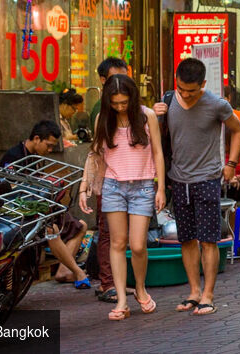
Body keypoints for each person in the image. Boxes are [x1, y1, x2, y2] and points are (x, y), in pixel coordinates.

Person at [153, 58, 240, 316]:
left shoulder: (217, 104)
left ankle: (208, 294)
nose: (185, 95)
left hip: (207, 179)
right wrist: (155, 115)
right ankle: (194, 291)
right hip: (178, 180)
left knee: (208, 240)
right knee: (187, 239)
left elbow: (237, 131)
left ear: (203, 84)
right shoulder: (168, 101)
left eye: (191, 91)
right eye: (181, 89)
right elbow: (158, 139)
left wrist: (232, 164)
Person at [79, 75, 165, 320]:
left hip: (143, 187)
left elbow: (158, 153)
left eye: (124, 102)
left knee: (137, 245)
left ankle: (140, 288)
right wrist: (85, 186)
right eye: (115, 103)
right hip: (113, 186)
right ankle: (121, 300)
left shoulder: (146, 116)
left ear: (133, 98)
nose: (119, 107)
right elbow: (95, 155)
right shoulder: (102, 119)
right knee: (116, 243)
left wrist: (160, 188)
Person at [0, 121, 90, 289]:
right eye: (48, 146)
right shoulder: (14, 156)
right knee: (51, 230)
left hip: (40, 207)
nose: (49, 151)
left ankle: (65, 270)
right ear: (36, 139)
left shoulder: (35, 158)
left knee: (81, 226)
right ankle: (77, 272)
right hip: (22, 212)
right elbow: (10, 191)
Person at [84, 57, 131, 303]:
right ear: (103, 81)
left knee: (119, 235)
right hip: (108, 179)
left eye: (125, 78)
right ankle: (107, 283)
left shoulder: (123, 105)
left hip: (126, 180)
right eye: (116, 79)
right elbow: (96, 152)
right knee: (107, 233)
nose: (121, 84)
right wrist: (88, 184)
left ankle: (116, 282)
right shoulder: (101, 110)